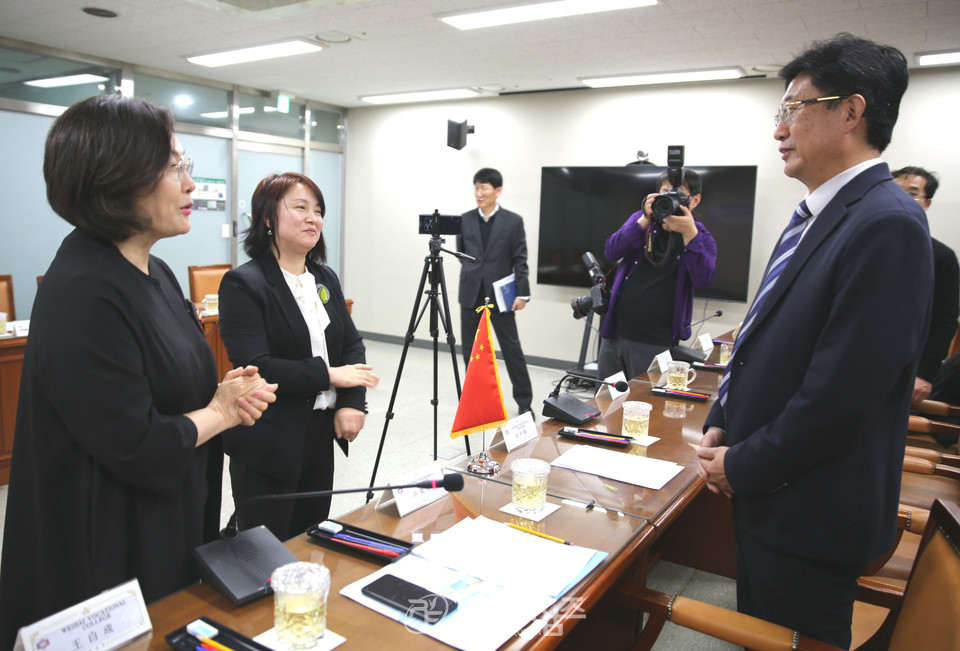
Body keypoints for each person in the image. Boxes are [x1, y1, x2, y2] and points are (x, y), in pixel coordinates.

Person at [0, 95, 276, 648]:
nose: (191, 184)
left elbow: (176, 389)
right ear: (117, 178)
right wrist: (218, 413)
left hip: (167, 517)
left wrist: (222, 396)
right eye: (175, 167)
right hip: (105, 547)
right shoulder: (84, 289)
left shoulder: (157, 271)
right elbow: (137, 443)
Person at [696, 33, 933, 648]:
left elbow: (840, 398)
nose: (779, 129)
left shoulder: (886, 224)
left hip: (812, 509)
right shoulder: (817, 214)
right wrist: (724, 416)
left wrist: (741, 465)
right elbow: (765, 335)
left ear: (850, 112)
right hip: (774, 492)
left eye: (793, 109)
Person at [218, 172, 379, 541]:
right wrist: (329, 376)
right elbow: (258, 366)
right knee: (266, 548)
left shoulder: (324, 278)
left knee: (309, 539)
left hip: (319, 436)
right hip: (269, 438)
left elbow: (352, 346)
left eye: (318, 210)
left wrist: (351, 403)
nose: (313, 218)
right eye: (300, 207)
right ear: (267, 219)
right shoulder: (244, 283)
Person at [597, 169, 717, 380]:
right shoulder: (641, 221)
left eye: (678, 194)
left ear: (695, 200)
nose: (669, 199)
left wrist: (689, 235)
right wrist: (644, 219)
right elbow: (611, 251)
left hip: (655, 341)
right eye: (664, 192)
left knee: (645, 403)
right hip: (616, 332)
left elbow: (704, 278)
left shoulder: (700, 236)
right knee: (606, 400)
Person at [457, 167, 534, 416]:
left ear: (497, 191)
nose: (479, 193)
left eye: (484, 188)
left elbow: (519, 260)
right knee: (471, 350)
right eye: (476, 188)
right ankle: (476, 399)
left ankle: (524, 402)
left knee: (511, 348)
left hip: (501, 296)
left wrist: (522, 293)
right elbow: (462, 255)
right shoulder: (465, 219)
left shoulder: (513, 221)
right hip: (471, 292)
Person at [891, 166, 960, 403]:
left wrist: (924, 374)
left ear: (926, 203)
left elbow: (945, 319)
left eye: (912, 193)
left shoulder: (942, 257)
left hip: (905, 365)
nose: (900, 199)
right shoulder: (862, 242)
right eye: (893, 190)